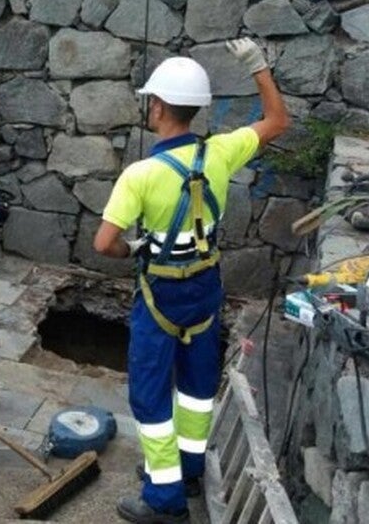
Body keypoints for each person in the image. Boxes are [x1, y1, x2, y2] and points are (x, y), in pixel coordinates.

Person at [93, 39, 290, 524]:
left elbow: (104, 244)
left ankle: (165, 499)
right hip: (205, 289)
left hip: (160, 293)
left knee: (150, 396)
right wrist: (257, 66)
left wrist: (132, 250)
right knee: (197, 388)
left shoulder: (140, 175)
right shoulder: (220, 152)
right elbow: (277, 121)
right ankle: (190, 468)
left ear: (157, 106)